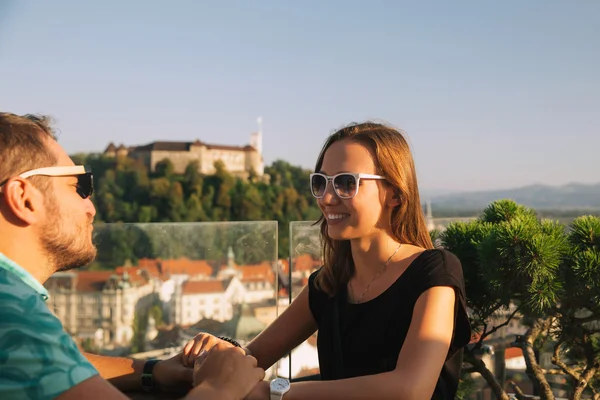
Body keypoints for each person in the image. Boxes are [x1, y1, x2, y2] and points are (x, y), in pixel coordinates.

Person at [183, 122, 472, 399]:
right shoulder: (329, 282)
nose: (327, 198)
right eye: (320, 182)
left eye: (347, 183)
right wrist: (221, 352)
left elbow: (410, 389)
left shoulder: (434, 271)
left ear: (394, 193)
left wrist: (272, 394)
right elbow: (253, 357)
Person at [0, 112, 264, 400]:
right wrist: (221, 387)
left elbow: (56, 360)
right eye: (79, 186)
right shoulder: (13, 315)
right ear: (24, 198)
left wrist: (152, 371)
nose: (91, 208)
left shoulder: (14, 307)